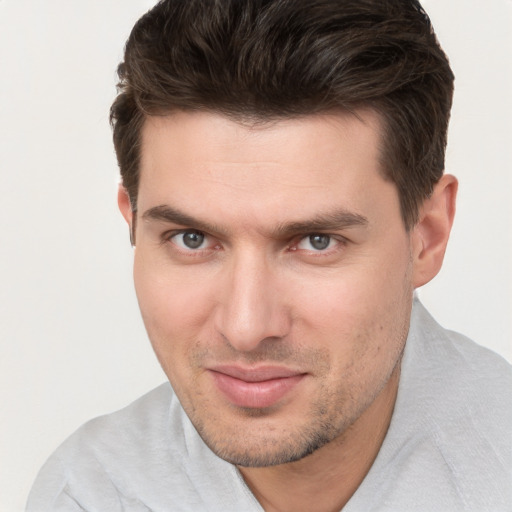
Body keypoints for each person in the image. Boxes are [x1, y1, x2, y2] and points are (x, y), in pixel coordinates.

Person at [26, 0, 512, 510]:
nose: (246, 327)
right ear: (132, 222)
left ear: (427, 236)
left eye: (316, 241)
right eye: (191, 238)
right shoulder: (87, 494)